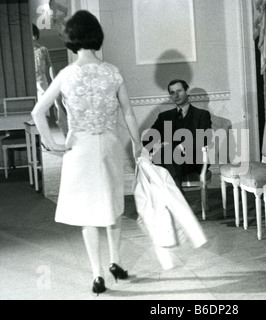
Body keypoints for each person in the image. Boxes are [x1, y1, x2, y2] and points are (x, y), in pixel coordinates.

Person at [31, 10, 142, 296]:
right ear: (96, 36)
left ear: (71, 39)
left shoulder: (66, 74)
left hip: (79, 148)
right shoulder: (112, 71)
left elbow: (38, 111)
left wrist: (52, 145)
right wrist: (138, 143)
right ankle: (116, 262)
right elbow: (129, 113)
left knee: (87, 214)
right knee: (112, 205)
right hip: (109, 145)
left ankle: (97, 275)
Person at [143, 79, 212, 192]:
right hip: (168, 159)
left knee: (167, 154)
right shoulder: (164, 116)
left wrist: (180, 147)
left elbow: (204, 138)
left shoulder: (201, 115)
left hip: (193, 161)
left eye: (179, 91)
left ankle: (175, 199)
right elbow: (148, 138)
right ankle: (179, 196)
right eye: (172, 92)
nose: (176, 95)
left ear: (186, 91)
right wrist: (155, 145)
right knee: (166, 155)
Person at [32, 24, 55, 100]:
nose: (33, 38)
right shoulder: (24, 51)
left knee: (44, 106)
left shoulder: (43, 49)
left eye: (34, 35)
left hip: (42, 81)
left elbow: (50, 65)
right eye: (31, 35)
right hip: (30, 83)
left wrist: (54, 80)